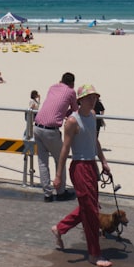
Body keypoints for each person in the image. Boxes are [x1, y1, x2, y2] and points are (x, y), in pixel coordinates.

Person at [50, 84, 112, 267]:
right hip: (79, 167)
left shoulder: (92, 116)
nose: (93, 100)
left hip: (91, 165)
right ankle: (94, 254)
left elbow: (95, 140)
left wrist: (104, 161)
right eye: (89, 97)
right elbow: (65, 149)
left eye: (95, 97)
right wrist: (58, 176)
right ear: (80, 100)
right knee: (91, 211)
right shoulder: (72, 121)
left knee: (90, 206)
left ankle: (59, 228)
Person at [33, 72, 78, 202]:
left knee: (42, 162)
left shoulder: (53, 87)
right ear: (72, 83)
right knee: (60, 160)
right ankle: (61, 191)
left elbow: (55, 104)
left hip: (37, 126)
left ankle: (47, 193)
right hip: (50, 130)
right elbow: (75, 109)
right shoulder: (70, 91)